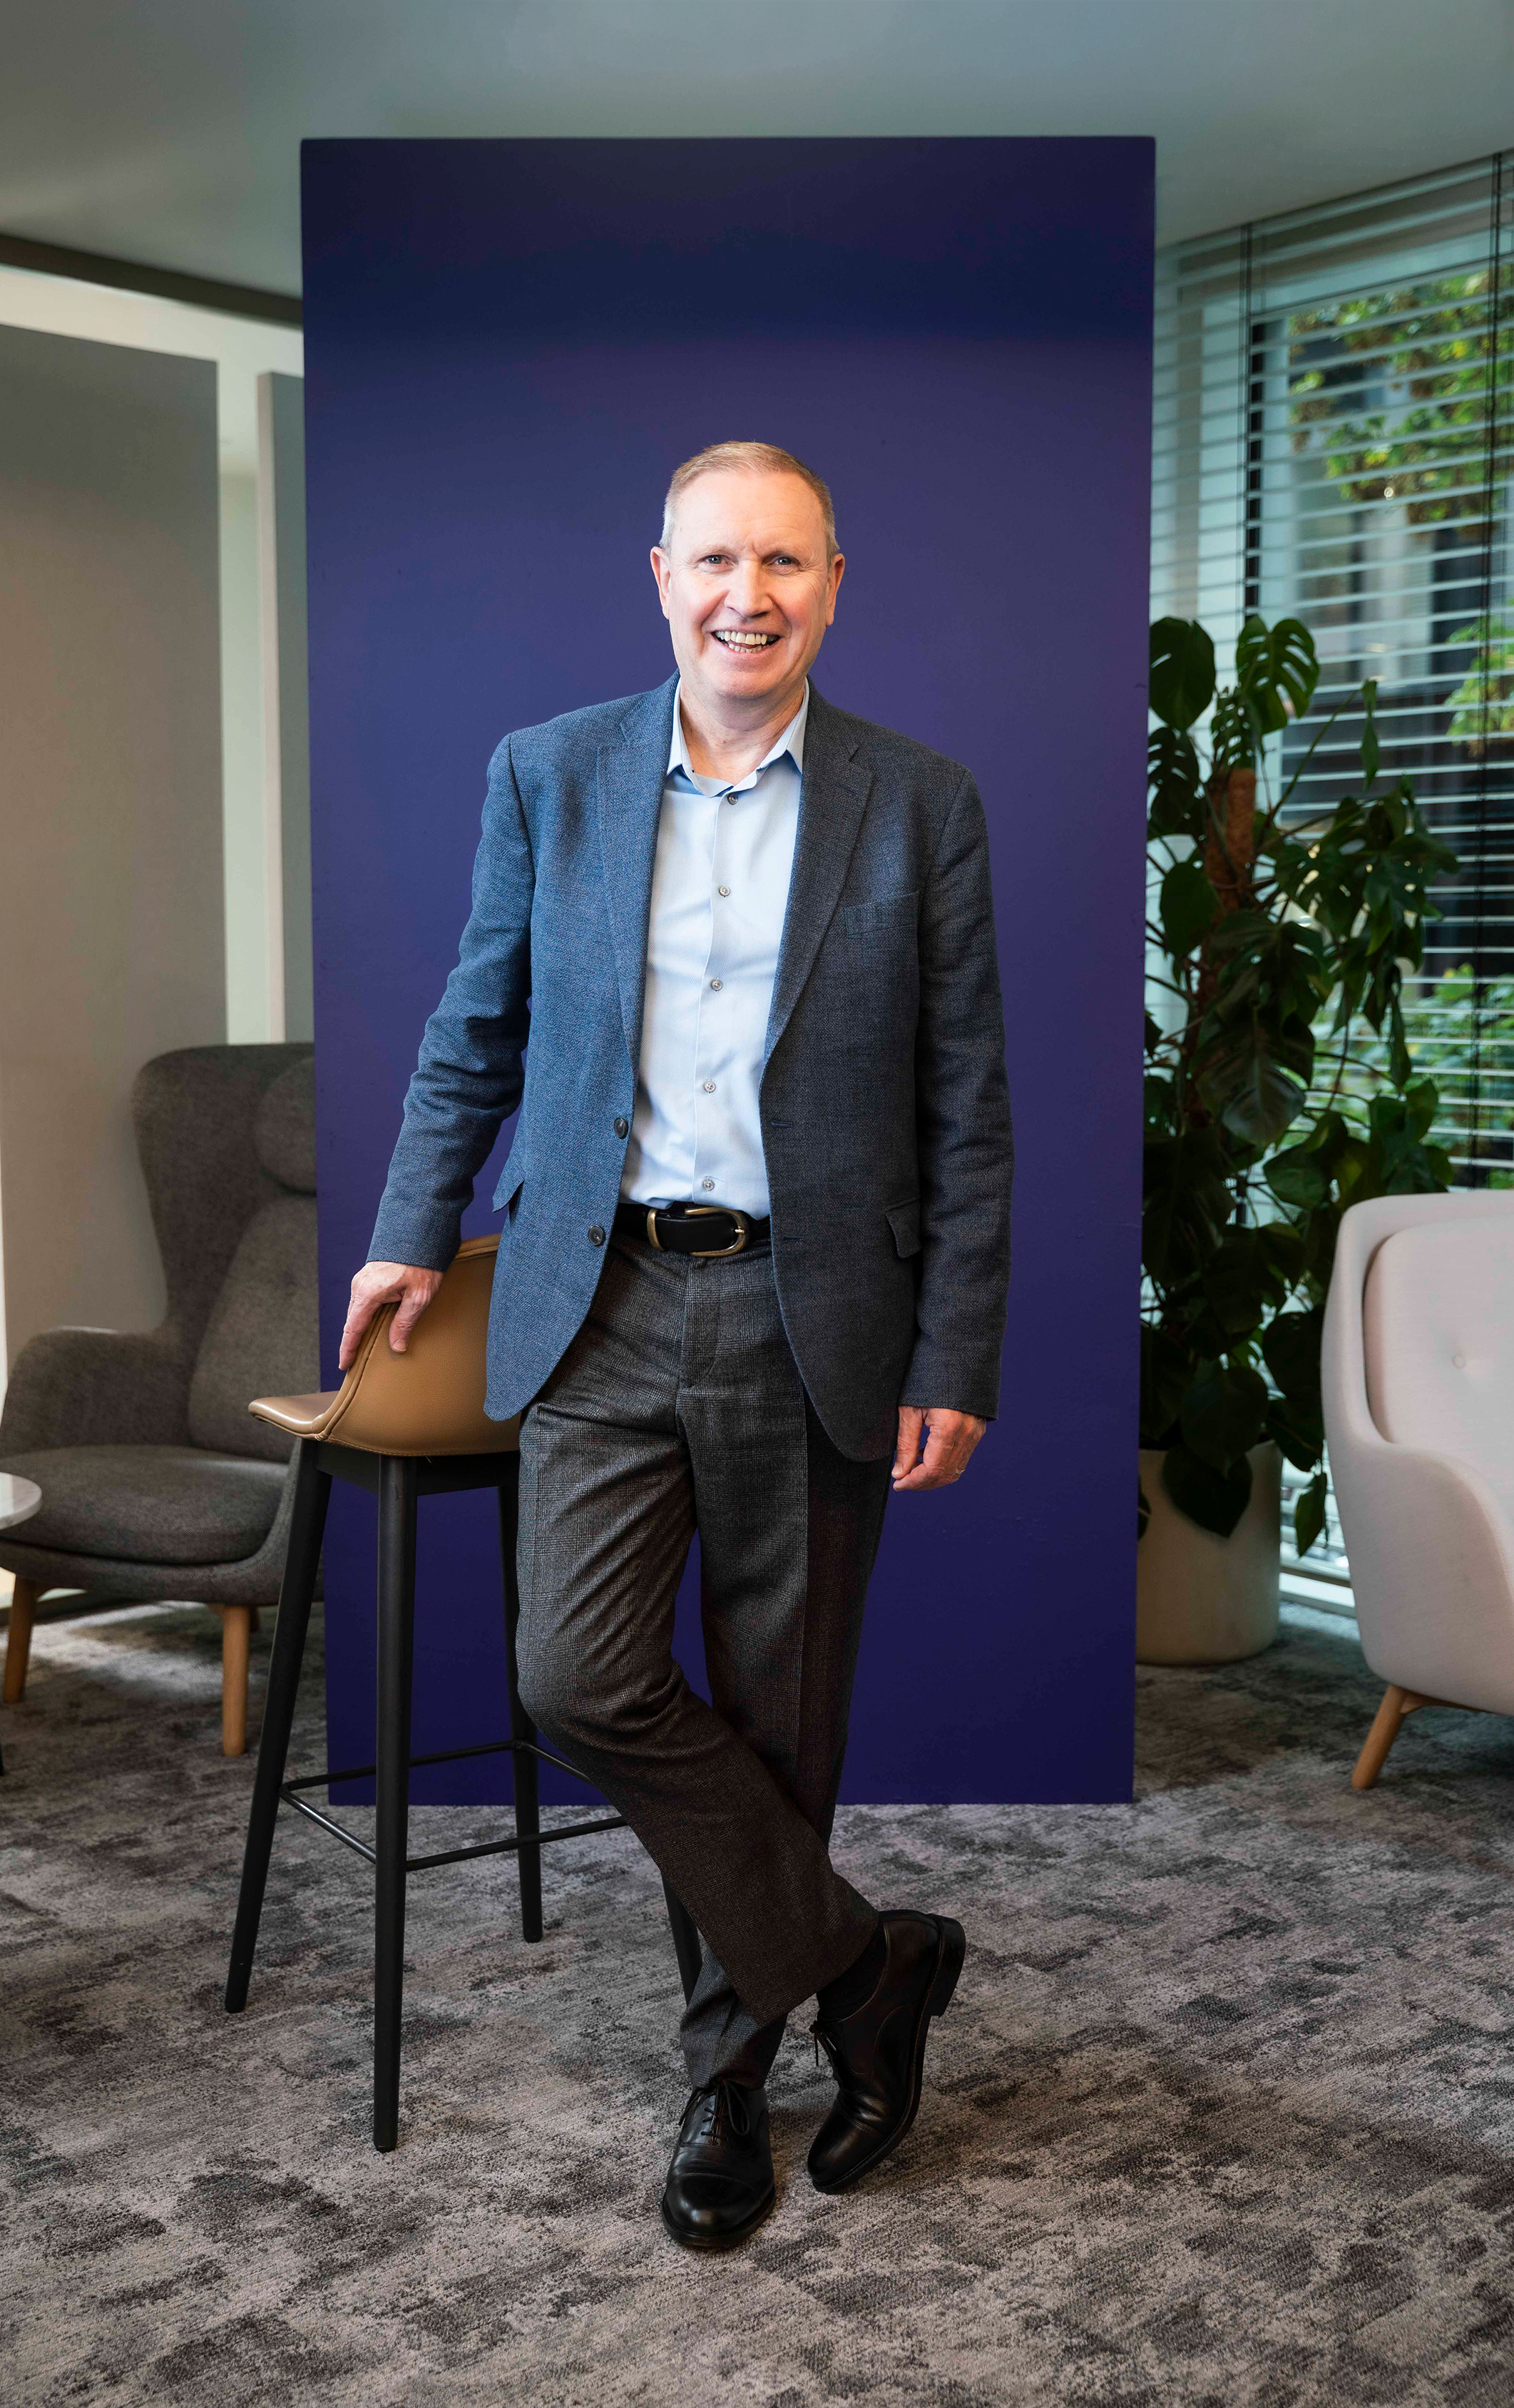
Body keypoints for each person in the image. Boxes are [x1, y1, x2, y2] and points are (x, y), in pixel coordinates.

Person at [341, 439, 1013, 2250]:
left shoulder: (919, 801)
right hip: (603, 1296)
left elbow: (967, 1101)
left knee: (781, 1720)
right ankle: (868, 1963)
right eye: (716, 559)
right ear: (660, 576)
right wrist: (408, 1227)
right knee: (575, 1671)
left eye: (783, 561)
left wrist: (954, 1348)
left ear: (833, 584)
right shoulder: (548, 773)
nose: (748, 594)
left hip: (819, 1308)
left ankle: (724, 2079)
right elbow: (474, 1026)